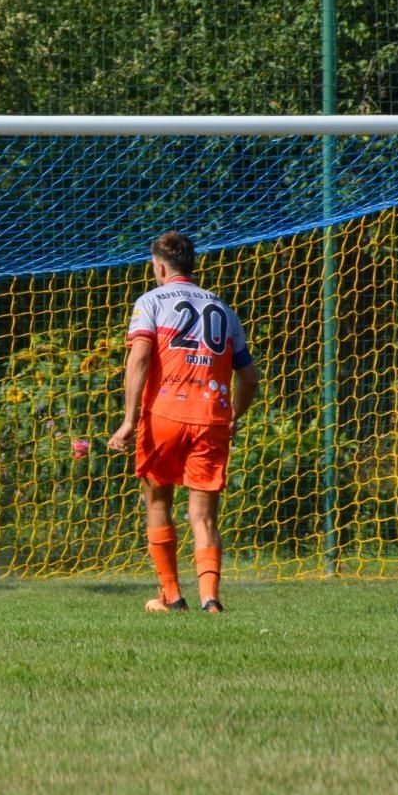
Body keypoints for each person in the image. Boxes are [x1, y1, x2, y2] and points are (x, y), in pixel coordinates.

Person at [107, 231, 259, 614]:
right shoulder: (223, 309)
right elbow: (250, 377)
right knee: (203, 514)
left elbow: (139, 358)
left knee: (158, 499)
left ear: (159, 266)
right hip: (211, 418)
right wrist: (232, 416)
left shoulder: (151, 301)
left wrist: (129, 420)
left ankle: (172, 597)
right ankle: (211, 599)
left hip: (165, 416)